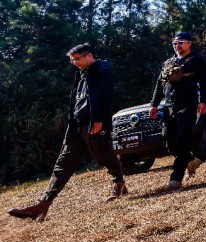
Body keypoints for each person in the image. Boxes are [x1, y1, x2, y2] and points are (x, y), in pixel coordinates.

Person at [8, 44, 127, 221]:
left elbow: (107, 96)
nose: (74, 63)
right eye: (72, 60)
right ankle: (43, 205)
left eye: (77, 59)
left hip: (94, 123)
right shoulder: (81, 73)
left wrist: (99, 119)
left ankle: (119, 184)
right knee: (63, 164)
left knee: (104, 156)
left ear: (89, 56)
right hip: (76, 126)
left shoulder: (102, 69)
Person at [149, 32, 206, 190]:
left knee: (182, 139)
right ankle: (191, 160)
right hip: (169, 106)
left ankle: (175, 179)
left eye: (181, 42)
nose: (177, 45)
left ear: (189, 43)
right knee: (168, 139)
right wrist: (154, 104)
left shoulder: (197, 60)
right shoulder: (168, 62)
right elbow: (159, 84)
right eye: (175, 43)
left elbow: (204, 82)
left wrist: (203, 101)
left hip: (187, 105)